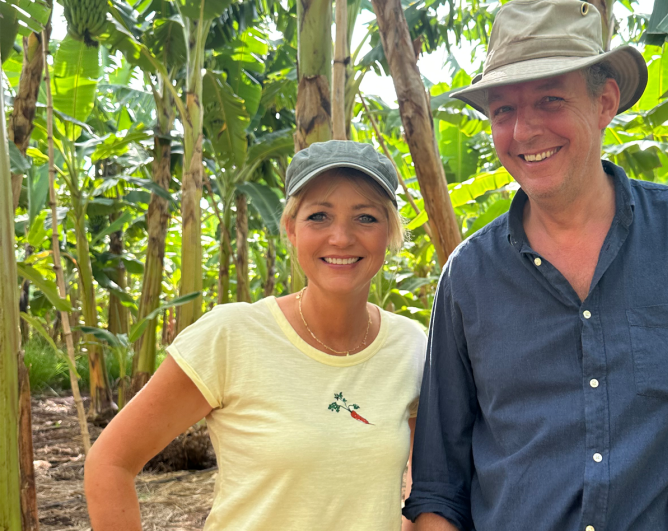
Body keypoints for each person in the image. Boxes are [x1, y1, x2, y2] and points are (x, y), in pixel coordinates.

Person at [403, 0, 668, 531]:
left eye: (549, 100)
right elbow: (438, 487)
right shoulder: (469, 277)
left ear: (605, 100)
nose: (524, 132)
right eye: (503, 111)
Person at [85, 140, 427, 531]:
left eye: (365, 218)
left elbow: (425, 485)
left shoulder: (410, 346)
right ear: (291, 230)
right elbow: (110, 462)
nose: (341, 238)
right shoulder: (232, 335)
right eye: (319, 216)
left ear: (390, 233)